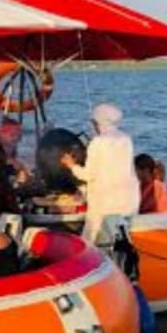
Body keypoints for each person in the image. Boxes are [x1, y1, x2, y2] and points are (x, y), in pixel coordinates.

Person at [61, 103, 140, 245]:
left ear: (99, 122)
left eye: (93, 122)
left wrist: (71, 165)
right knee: (122, 243)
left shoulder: (98, 142)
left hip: (105, 204)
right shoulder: (126, 139)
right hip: (129, 202)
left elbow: (88, 175)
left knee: (91, 243)